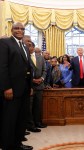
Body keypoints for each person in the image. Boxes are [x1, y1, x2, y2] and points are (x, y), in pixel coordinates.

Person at [0, 22, 33, 150]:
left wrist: (30, 86)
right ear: (12, 29)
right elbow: (3, 67)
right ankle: (8, 145)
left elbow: (28, 67)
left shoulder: (24, 45)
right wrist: (6, 87)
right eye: (17, 28)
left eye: (22, 29)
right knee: (10, 119)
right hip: (11, 89)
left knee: (21, 118)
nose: (20, 30)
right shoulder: (5, 43)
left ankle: (18, 143)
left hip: (24, 89)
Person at [28, 42, 47, 131]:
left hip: (40, 85)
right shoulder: (25, 56)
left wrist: (42, 79)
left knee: (38, 105)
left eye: (30, 46)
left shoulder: (40, 57)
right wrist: (32, 80)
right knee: (29, 107)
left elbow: (44, 70)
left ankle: (38, 122)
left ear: (33, 47)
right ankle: (31, 125)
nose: (29, 48)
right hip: (30, 86)